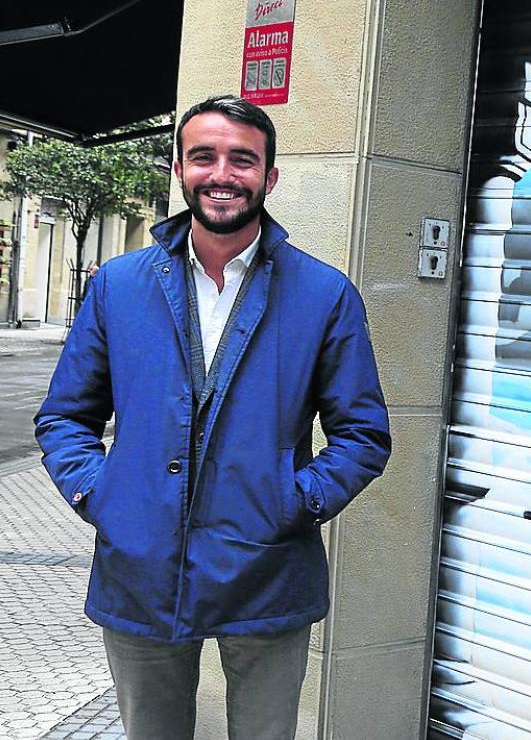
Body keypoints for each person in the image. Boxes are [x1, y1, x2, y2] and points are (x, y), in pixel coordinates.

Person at [35, 95, 391, 740]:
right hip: (141, 565)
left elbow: (363, 435)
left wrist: (295, 501)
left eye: (242, 160)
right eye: (203, 156)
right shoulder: (118, 286)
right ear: (179, 169)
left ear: (269, 177)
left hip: (267, 567)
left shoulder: (323, 294)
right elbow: (65, 417)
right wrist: (102, 493)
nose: (222, 174)